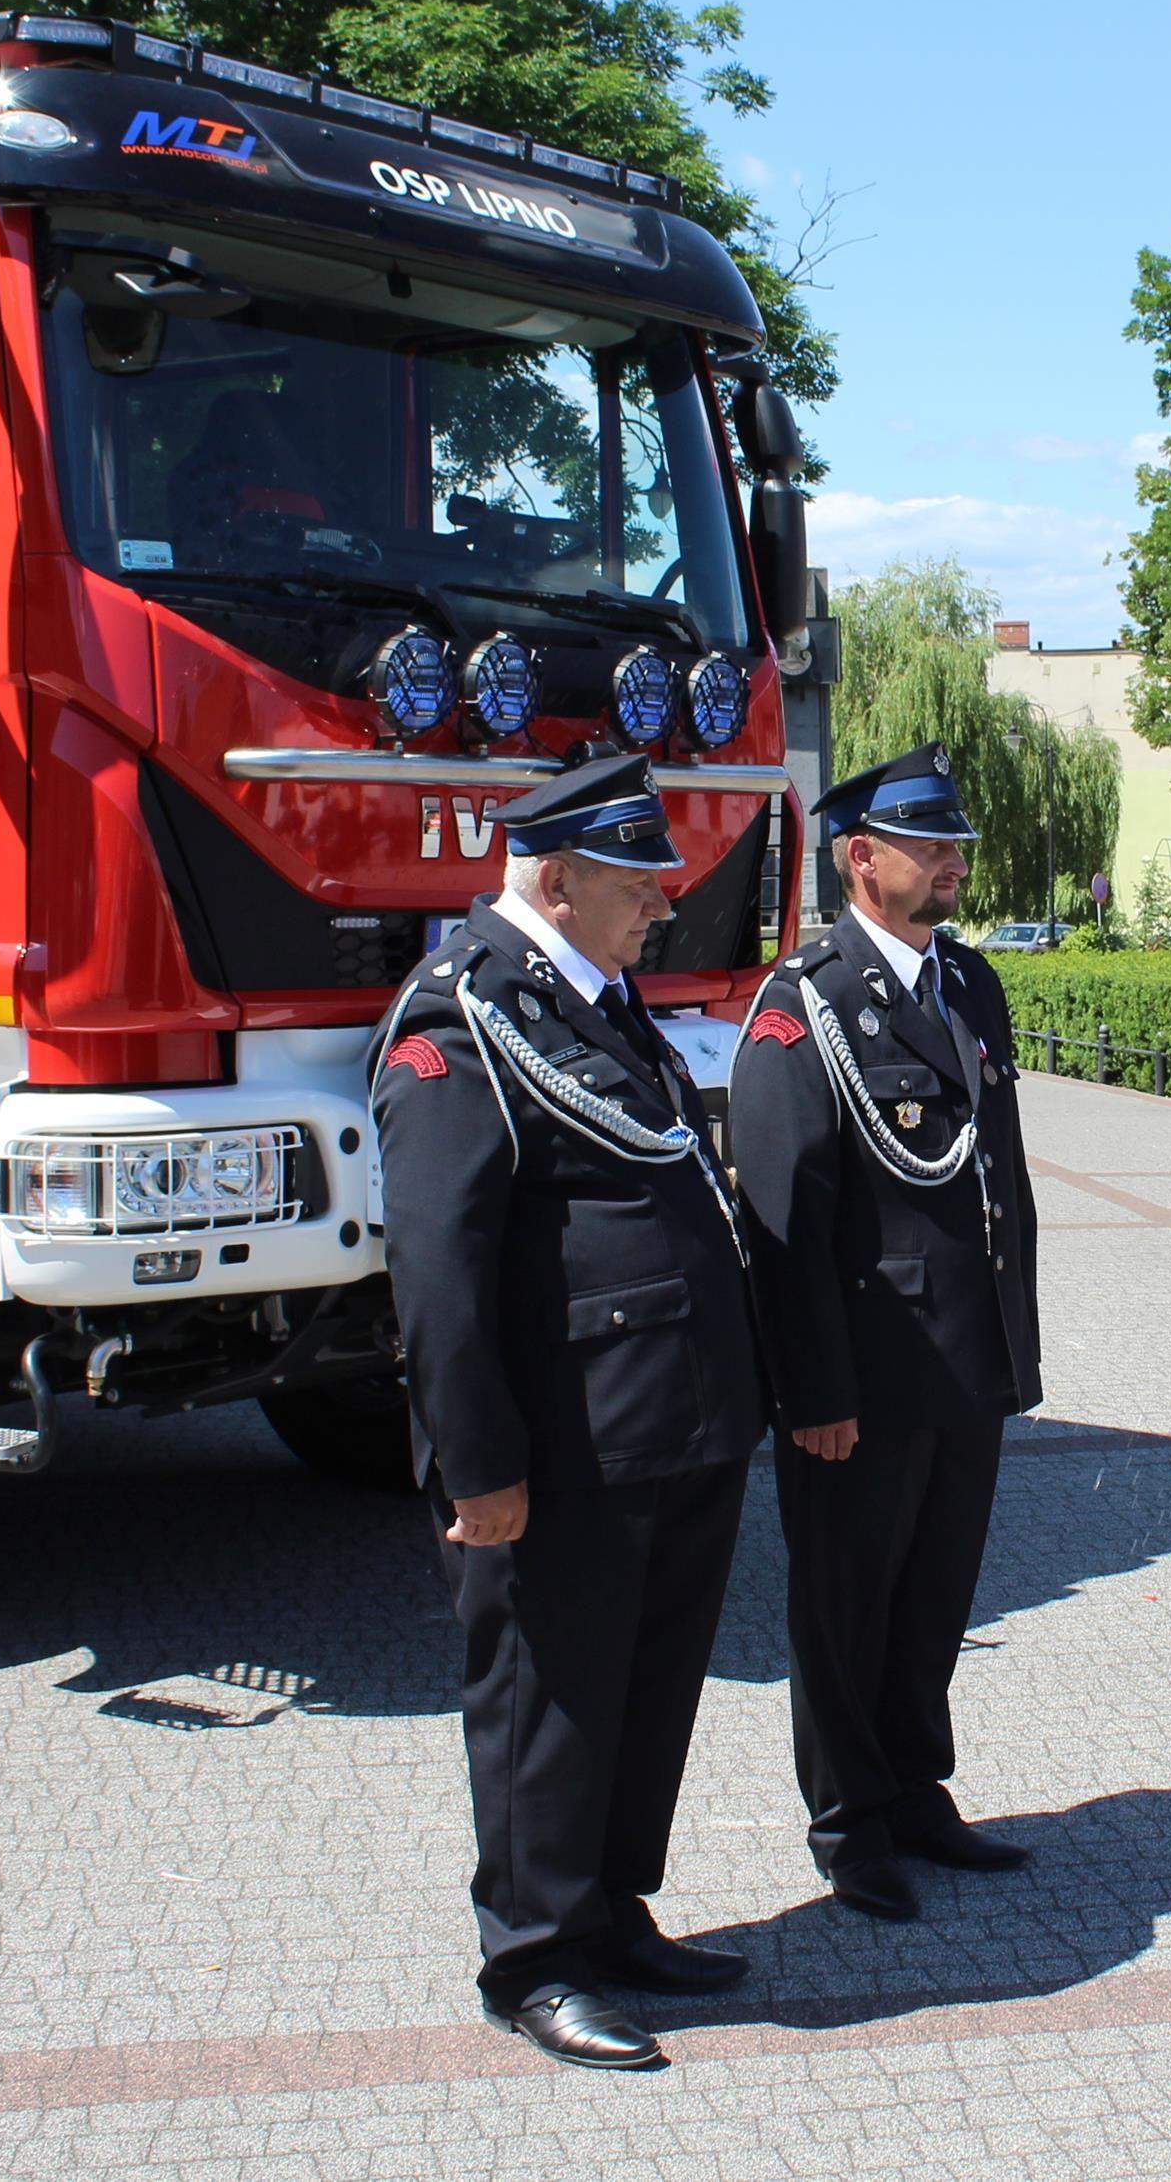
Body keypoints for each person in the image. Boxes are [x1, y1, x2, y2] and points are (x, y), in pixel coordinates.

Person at [370, 751, 765, 2072]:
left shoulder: (599, 1001)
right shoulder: (462, 1014)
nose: (660, 901)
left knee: (645, 1688)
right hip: (568, 1437)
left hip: (670, 1419)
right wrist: (479, 1467)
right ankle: (533, 1953)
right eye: (636, 880)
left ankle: (610, 1907)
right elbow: (438, 1260)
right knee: (550, 1696)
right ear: (554, 876)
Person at [732, 743, 1045, 1923]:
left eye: (954, 842)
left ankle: (917, 1788)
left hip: (963, 1356)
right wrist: (810, 1388)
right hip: (863, 1372)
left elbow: (993, 1182)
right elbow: (784, 1219)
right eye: (928, 844)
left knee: (934, 1591)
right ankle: (847, 1818)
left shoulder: (969, 985)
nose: (952, 860)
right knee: (846, 1601)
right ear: (861, 858)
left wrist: (1010, 1346)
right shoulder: (799, 1004)